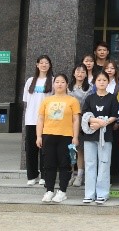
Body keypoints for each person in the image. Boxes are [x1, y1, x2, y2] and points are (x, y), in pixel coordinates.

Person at [36, 74, 81, 203]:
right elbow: (40, 119)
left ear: (67, 84)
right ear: (53, 84)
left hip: (66, 136)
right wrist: (39, 136)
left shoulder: (72, 101)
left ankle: (62, 191)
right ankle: (49, 190)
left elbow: (76, 120)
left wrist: (75, 136)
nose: (59, 84)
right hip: (48, 135)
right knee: (48, 164)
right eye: (57, 82)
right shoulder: (46, 100)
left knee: (65, 164)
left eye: (62, 82)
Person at [81, 71, 119, 204]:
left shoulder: (112, 98)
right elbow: (85, 115)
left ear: (108, 82)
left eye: (104, 80)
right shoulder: (90, 98)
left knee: (104, 163)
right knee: (90, 164)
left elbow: (114, 115)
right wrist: (97, 122)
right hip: (90, 135)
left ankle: (102, 193)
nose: (101, 82)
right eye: (99, 80)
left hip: (106, 135)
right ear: (95, 82)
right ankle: (89, 193)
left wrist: (104, 123)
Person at [24, 55, 53, 186]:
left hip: (47, 120)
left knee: (45, 150)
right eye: (41, 63)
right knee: (31, 149)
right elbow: (26, 101)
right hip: (31, 120)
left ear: (49, 65)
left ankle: (44, 175)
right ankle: (32, 175)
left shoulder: (53, 81)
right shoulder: (30, 81)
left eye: (46, 63)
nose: (44, 65)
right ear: (37, 65)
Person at [68, 63, 92, 188]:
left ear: (86, 74)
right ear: (74, 73)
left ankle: (80, 175)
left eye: (83, 72)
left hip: (83, 121)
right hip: (68, 121)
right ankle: (72, 173)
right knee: (71, 149)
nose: (80, 74)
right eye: (78, 71)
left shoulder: (90, 88)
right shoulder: (68, 88)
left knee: (81, 149)